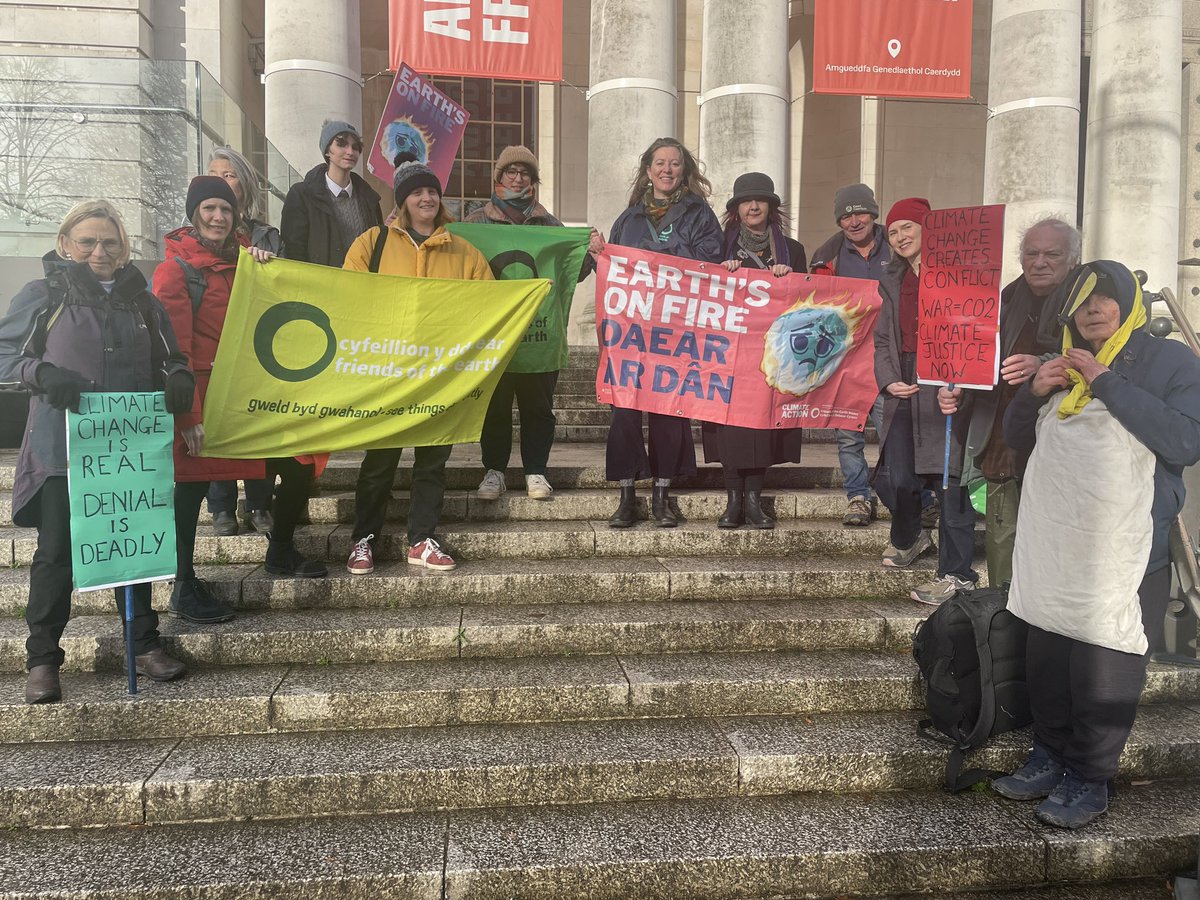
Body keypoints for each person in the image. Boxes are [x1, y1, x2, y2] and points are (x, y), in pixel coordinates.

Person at [992, 260, 1200, 829]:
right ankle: (1049, 754)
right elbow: (1017, 438)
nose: (1092, 310)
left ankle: (1089, 774)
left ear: (1129, 304)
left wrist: (1105, 381)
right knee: (1048, 658)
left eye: (1105, 298)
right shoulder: (1058, 359)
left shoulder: (1170, 361)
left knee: (1104, 664)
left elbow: (1185, 441)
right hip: (1058, 542)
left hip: (1128, 547)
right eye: (1081, 301)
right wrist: (1033, 392)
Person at [0, 200, 193, 703]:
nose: (98, 251)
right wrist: (40, 372)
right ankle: (43, 659)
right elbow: (5, 355)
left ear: (123, 247)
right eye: (87, 241)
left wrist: (177, 377)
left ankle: (144, 644)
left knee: (134, 545)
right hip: (63, 450)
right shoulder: (44, 294)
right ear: (66, 244)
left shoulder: (144, 304)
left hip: (128, 448)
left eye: (109, 242)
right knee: (56, 554)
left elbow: (171, 358)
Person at [155, 176, 327, 626]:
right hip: (205, 400)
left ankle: (281, 549)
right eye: (209, 209)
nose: (218, 217)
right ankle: (182, 583)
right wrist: (187, 415)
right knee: (190, 489)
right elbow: (174, 352)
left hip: (254, 396)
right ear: (194, 214)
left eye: (226, 210)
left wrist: (269, 271)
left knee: (300, 462)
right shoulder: (175, 271)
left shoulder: (250, 260)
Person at [342, 154, 493, 575]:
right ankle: (363, 539)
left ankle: (422, 539)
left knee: (432, 461)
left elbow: (489, 302)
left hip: (439, 374)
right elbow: (346, 293)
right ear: (403, 200)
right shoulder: (373, 242)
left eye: (432, 191)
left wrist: (532, 294)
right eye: (417, 192)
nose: (426, 198)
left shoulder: (464, 251)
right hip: (387, 371)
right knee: (380, 462)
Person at [938, 219, 1080, 586]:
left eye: (1052, 254)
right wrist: (958, 390)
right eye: (1032, 253)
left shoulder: (1089, 303)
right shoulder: (1003, 300)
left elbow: (1100, 357)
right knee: (1003, 543)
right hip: (1003, 447)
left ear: (1073, 259)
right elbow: (979, 363)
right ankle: (1004, 614)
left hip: (1063, 450)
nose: (1040, 262)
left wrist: (1043, 363)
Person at [591, 136, 722, 528]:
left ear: (684, 170)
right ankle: (627, 497)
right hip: (631, 333)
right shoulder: (628, 219)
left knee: (670, 412)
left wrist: (654, 261)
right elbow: (614, 272)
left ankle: (663, 496)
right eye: (660, 163)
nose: (667, 170)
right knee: (624, 412)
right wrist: (600, 255)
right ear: (648, 170)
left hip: (676, 332)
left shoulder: (700, 214)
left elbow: (710, 263)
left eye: (675, 163)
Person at [465, 145, 598, 502]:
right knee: (494, 407)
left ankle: (535, 471)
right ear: (499, 177)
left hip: (539, 335)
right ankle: (494, 471)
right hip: (494, 336)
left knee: (538, 409)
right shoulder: (475, 223)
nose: (517, 178)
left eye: (525, 173)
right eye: (511, 171)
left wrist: (588, 250)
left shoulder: (550, 225)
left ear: (533, 180)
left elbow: (571, 270)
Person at [872, 197, 977, 606]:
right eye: (893, 232)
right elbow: (883, 338)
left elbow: (976, 329)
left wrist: (964, 382)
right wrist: (888, 380)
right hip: (904, 379)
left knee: (950, 478)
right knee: (898, 473)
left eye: (907, 228)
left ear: (928, 229)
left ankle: (957, 572)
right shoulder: (892, 280)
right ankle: (909, 535)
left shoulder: (958, 275)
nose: (899, 237)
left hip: (946, 378)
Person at [703, 172, 805, 528]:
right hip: (728, 356)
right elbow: (703, 292)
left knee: (762, 427)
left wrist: (790, 280)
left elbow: (806, 301)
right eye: (747, 201)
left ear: (771, 207)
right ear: (737, 209)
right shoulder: (719, 247)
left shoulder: (792, 250)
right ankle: (733, 500)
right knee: (728, 427)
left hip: (770, 358)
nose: (754, 206)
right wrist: (721, 273)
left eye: (760, 200)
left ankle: (754, 500)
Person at [204, 145, 279, 537]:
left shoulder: (266, 235)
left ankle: (260, 503)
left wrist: (267, 264)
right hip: (213, 344)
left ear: (245, 185)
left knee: (255, 425)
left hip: (256, 347)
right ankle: (221, 507)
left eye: (229, 174)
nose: (221, 181)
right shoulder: (195, 234)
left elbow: (282, 288)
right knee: (217, 424)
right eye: (214, 174)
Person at [810, 184, 894, 528]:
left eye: (860, 213)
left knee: (893, 434)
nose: (854, 221)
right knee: (848, 437)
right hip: (845, 362)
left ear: (873, 214)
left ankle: (903, 495)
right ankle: (857, 497)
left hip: (889, 361)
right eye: (846, 216)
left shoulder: (897, 246)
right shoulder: (826, 255)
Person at [280, 120, 383, 267]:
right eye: (341, 144)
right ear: (327, 151)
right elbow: (293, 252)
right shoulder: (301, 196)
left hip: (362, 279)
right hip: (318, 280)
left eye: (355, 147)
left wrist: (386, 232)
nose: (350, 152)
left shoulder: (369, 199)